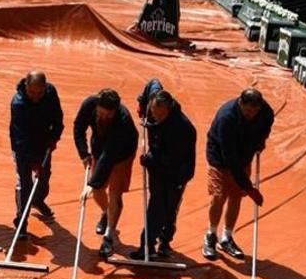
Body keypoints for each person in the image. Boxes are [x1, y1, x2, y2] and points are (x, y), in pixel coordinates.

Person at [203, 88, 273, 260]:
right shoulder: (226, 118)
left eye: (255, 111)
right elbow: (230, 159)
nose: (251, 114)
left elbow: (269, 118)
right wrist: (248, 187)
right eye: (248, 111)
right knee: (219, 195)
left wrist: (261, 139)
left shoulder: (264, 110)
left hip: (244, 153)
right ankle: (211, 234)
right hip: (221, 156)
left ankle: (226, 237)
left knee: (235, 196)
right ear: (241, 104)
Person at [132, 80, 196, 259]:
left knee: (168, 208)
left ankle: (165, 241)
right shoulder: (154, 104)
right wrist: (141, 102)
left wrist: (149, 159)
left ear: (168, 110)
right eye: (153, 112)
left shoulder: (182, 129)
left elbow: (169, 159)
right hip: (158, 168)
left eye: (159, 115)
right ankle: (147, 246)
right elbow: (153, 82)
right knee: (155, 206)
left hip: (175, 173)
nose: (155, 117)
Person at [75, 89, 139, 258]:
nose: (104, 117)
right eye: (101, 113)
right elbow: (78, 128)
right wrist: (84, 154)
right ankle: (106, 212)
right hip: (99, 148)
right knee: (97, 192)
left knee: (115, 193)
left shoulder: (122, 121)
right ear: (97, 106)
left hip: (121, 154)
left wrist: (91, 182)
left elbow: (109, 156)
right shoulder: (89, 104)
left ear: (116, 111)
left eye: (108, 115)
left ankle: (109, 235)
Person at [9, 70, 64, 238]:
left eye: (39, 92)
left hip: (43, 143)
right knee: (25, 185)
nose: (35, 96)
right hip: (22, 147)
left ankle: (38, 200)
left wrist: (54, 137)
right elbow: (20, 138)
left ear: (45, 88)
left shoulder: (51, 92)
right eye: (32, 92)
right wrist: (33, 162)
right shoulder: (18, 103)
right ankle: (21, 222)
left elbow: (58, 117)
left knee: (44, 177)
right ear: (26, 86)